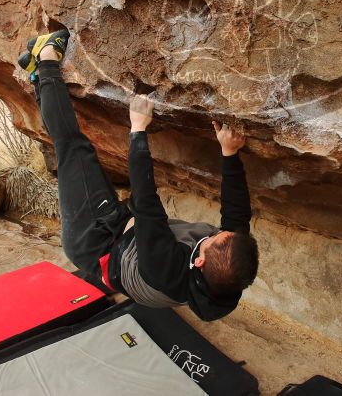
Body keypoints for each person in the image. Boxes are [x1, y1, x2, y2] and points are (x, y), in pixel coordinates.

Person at [20, 30, 259, 321]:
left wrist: (138, 129)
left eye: (213, 239)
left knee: (73, 148)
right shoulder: (231, 267)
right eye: (226, 234)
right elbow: (237, 214)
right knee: (76, 153)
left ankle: (45, 58)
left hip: (96, 240)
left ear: (198, 261)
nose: (220, 232)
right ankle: (37, 75)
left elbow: (146, 202)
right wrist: (229, 153)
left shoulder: (166, 268)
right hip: (127, 235)